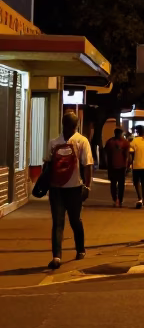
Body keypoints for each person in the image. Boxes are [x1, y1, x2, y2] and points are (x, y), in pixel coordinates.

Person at [45, 113, 93, 270]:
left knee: (57, 223)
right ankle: (80, 250)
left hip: (56, 188)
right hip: (75, 188)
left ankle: (56, 257)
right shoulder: (82, 141)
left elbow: (46, 166)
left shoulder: (53, 143)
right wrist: (87, 186)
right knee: (75, 220)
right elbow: (88, 165)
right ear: (76, 125)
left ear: (62, 124)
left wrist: (46, 186)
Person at [104, 126, 131, 207]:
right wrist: (128, 165)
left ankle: (116, 199)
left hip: (115, 166)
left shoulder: (110, 141)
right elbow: (127, 155)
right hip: (119, 166)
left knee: (114, 184)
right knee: (119, 184)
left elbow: (106, 153)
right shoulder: (124, 142)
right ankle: (118, 200)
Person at [129, 125, 144, 209]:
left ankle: (140, 198)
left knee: (136, 182)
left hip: (136, 165)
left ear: (137, 132)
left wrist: (129, 164)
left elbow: (131, 154)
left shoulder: (134, 141)